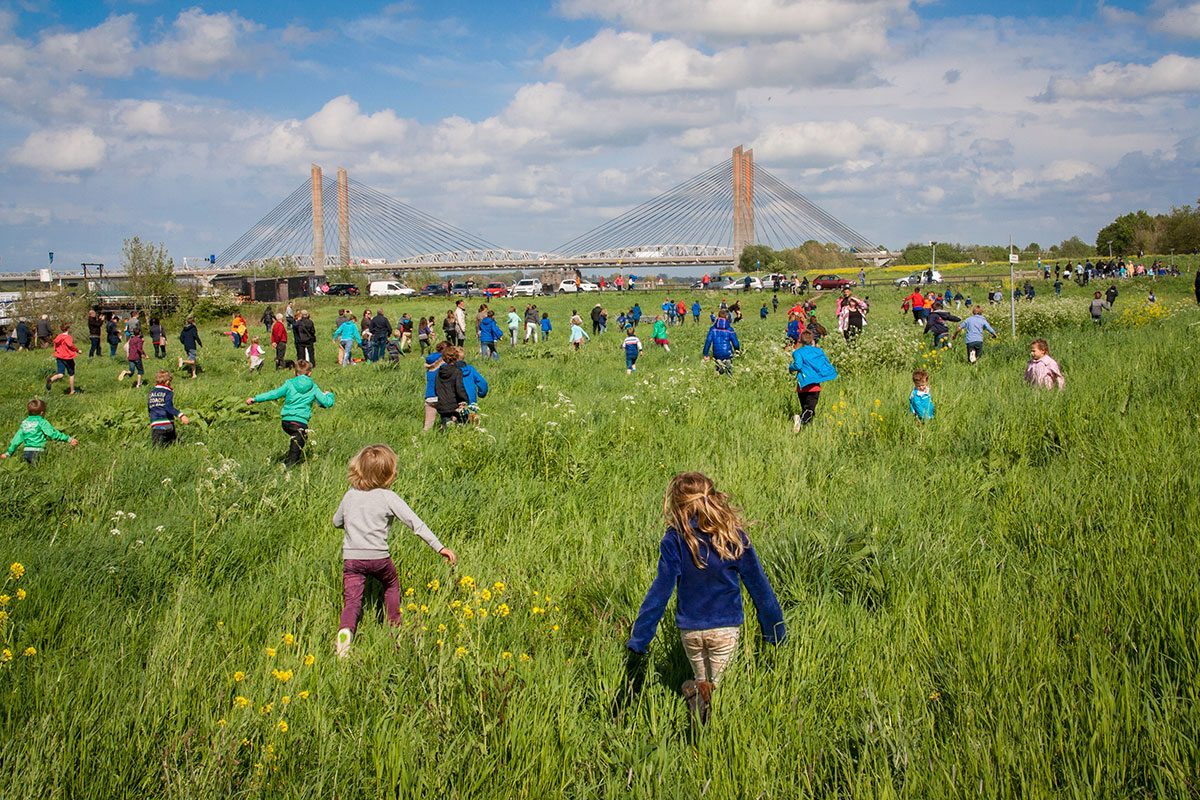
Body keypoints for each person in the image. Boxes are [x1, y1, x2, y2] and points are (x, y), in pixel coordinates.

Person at [626, 472, 784, 725]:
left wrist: (640, 639)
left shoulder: (675, 539)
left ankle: (699, 705)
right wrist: (775, 632)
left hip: (690, 631)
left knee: (703, 685)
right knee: (723, 693)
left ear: (678, 506)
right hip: (724, 628)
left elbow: (660, 591)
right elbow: (760, 588)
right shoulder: (733, 537)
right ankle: (713, 737)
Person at [333, 443, 455, 658]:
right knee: (391, 584)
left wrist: (353, 523)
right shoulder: (388, 497)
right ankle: (395, 628)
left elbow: (336, 522)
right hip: (379, 557)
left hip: (351, 558)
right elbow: (415, 524)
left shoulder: (350, 495)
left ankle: (345, 632)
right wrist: (440, 547)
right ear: (389, 473)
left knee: (352, 601)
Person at [246, 360, 335, 466]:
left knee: (300, 439)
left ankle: (289, 462)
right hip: (299, 423)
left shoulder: (289, 384)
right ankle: (289, 469)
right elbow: (327, 403)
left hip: (286, 422)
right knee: (296, 448)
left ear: (294, 372)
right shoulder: (313, 388)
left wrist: (255, 399)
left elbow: (273, 394)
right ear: (309, 373)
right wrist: (329, 395)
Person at [788, 330, 837, 431]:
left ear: (800, 341)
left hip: (802, 386)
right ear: (812, 341)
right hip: (814, 387)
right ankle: (799, 421)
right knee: (810, 410)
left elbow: (797, 365)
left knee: (806, 410)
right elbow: (825, 363)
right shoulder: (818, 351)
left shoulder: (797, 352)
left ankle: (803, 429)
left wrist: (790, 368)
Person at [3, 398, 77, 464]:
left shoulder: (25, 423)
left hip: (26, 452)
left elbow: (17, 439)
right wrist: (68, 439)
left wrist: (9, 452)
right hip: (38, 451)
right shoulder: (42, 422)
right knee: (40, 468)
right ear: (42, 413)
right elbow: (52, 434)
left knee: (31, 471)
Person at [148, 370, 189, 446]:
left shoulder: (152, 392)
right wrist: (181, 415)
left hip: (156, 424)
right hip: (167, 423)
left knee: (157, 448)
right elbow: (168, 407)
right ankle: (186, 448)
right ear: (167, 382)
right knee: (173, 441)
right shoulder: (167, 392)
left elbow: (149, 407)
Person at [434, 346, 469, 427]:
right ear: (456, 357)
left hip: (443, 404)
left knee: (446, 427)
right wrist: (465, 401)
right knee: (460, 427)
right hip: (455, 404)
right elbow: (459, 388)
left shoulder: (439, 372)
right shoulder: (457, 371)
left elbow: (436, 388)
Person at [47, 323, 80, 395]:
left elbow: (55, 345)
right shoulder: (68, 337)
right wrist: (77, 350)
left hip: (59, 357)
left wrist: (57, 351)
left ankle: (51, 379)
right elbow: (70, 345)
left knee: (61, 374)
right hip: (68, 357)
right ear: (68, 329)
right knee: (71, 374)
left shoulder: (58, 337)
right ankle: (72, 391)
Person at [423, 343, 446, 430]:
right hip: (441, 396)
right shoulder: (444, 366)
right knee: (447, 422)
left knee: (428, 425)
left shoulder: (429, 366)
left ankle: (423, 438)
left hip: (429, 396)